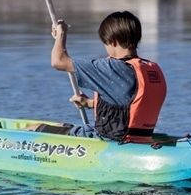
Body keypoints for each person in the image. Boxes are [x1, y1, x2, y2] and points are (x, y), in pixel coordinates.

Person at [48, 11, 167, 142]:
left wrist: (61, 34)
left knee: (36, 129)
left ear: (113, 41)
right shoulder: (151, 68)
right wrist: (90, 103)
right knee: (61, 126)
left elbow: (58, 61)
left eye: (105, 43)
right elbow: (130, 103)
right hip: (141, 138)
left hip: (112, 141)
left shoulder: (111, 67)